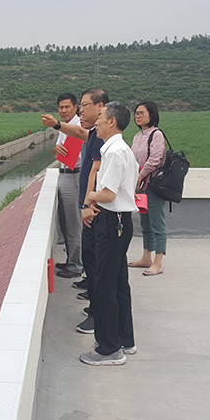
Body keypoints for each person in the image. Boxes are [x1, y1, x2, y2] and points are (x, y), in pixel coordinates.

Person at [42, 88, 109, 335]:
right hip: (75, 182)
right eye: (62, 107)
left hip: (98, 204)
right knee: (78, 234)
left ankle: (100, 314)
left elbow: (98, 173)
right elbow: (71, 142)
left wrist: (89, 201)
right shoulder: (89, 133)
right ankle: (88, 287)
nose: (79, 111)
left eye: (82, 106)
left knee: (93, 247)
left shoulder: (100, 138)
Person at [80, 102, 139, 366]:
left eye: (101, 117)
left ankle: (109, 349)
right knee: (118, 283)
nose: (97, 121)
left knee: (104, 285)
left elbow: (108, 194)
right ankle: (125, 339)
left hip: (112, 223)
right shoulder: (121, 149)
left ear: (112, 121)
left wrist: (91, 197)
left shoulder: (114, 152)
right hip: (120, 222)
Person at [46, 93, 84, 278]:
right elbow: (57, 153)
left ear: (75, 107)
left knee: (74, 222)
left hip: (75, 175)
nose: (63, 110)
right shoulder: (64, 127)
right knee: (66, 221)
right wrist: (56, 150)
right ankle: (71, 260)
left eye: (67, 107)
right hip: (65, 174)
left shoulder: (78, 126)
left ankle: (76, 265)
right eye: (61, 107)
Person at [128, 101, 167, 276]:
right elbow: (132, 159)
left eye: (141, 113)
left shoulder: (156, 134)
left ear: (151, 115)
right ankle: (146, 257)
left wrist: (141, 175)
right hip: (140, 186)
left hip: (152, 185)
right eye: (136, 113)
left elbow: (156, 159)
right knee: (145, 223)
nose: (137, 116)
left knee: (157, 223)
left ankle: (158, 262)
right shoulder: (138, 136)